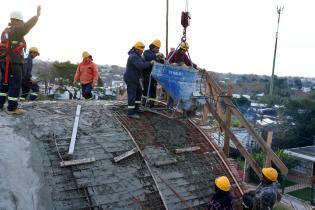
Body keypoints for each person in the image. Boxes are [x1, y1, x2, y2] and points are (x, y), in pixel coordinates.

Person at [0, 6, 41, 114]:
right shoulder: (16, 29)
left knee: (4, 84)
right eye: (21, 21)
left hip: (4, 61)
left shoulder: (5, 31)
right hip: (13, 62)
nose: (22, 23)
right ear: (17, 20)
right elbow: (26, 27)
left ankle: (0, 105)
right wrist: (36, 17)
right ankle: (12, 108)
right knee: (15, 84)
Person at [123, 41, 153, 119]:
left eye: (142, 50)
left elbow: (144, 62)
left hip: (135, 78)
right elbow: (140, 65)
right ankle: (130, 112)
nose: (142, 51)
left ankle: (136, 108)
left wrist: (151, 60)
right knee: (132, 95)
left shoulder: (138, 56)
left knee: (139, 92)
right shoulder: (133, 56)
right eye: (140, 50)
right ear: (136, 49)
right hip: (131, 78)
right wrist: (150, 63)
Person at [142, 39, 165, 107]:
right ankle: (144, 103)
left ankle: (152, 103)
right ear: (152, 47)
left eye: (158, 48)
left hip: (154, 75)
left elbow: (162, 62)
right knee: (146, 89)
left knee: (153, 90)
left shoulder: (159, 54)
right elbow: (148, 57)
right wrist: (156, 55)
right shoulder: (146, 52)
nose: (158, 49)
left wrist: (162, 59)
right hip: (146, 75)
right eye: (157, 48)